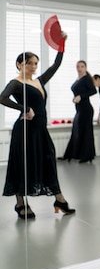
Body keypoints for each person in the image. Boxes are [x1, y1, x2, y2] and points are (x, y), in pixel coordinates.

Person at [0, 40, 76, 219]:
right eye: (29, 63)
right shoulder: (16, 83)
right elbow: (2, 98)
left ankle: (59, 199)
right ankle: (20, 203)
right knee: (23, 163)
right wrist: (25, 108)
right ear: (20, 64)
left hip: (41, 130)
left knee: (49, 160)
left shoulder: (39, 81)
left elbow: (55, 65)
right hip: (25, 130)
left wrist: (62, 44)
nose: (33, 67)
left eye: (35, 63)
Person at [59, 60, 97, 163]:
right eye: (78, 67)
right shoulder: (78, 79)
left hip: (86, 110)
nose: (79, 68)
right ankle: (70, 154)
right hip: (79, 109)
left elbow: (93, 91)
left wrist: (81, 96)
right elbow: (79, 91)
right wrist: (75, 97)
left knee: (86, 132)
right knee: (76, 131)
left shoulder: (86, 79)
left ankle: (87, 156)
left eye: (82, 66)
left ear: (85, 68)